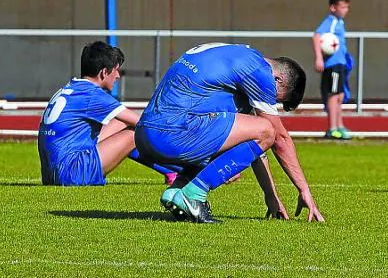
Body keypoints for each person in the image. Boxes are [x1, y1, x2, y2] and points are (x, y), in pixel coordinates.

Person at [135, 42, 325, 224]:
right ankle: (193, 195)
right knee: (268, 129)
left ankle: (178, 189)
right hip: (171, 135)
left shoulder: (233, 58)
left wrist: (271, 196)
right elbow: (277, 137)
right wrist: (304, 190)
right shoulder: (258, 71)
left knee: (256, 128)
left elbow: (252, 145)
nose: (269, 102)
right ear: (277, 80)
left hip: (145, 134)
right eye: (275, 98)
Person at [38, 41, 181, 187]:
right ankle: (182, 170)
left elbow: (125, 120)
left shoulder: (71, 88)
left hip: (51, 175)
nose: (118, 76)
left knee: (121, 123)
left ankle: (171, 172)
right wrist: (180, 133)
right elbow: (143, 124)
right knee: (134, 133)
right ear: (104, 72)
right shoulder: (92, 94)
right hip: (72, 174)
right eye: (116, 70)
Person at [313, 0, 353, 140]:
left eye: (346, 7)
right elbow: (317, 36)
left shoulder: (340, 22)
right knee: (333, 95)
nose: (345, 10)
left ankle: (340, 126)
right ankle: (332, 128)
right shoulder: (331, 21)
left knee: (340, 96)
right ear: (333, 7)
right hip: (333, 64)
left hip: (341, 64)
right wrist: (319, 58)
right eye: (342, 7)